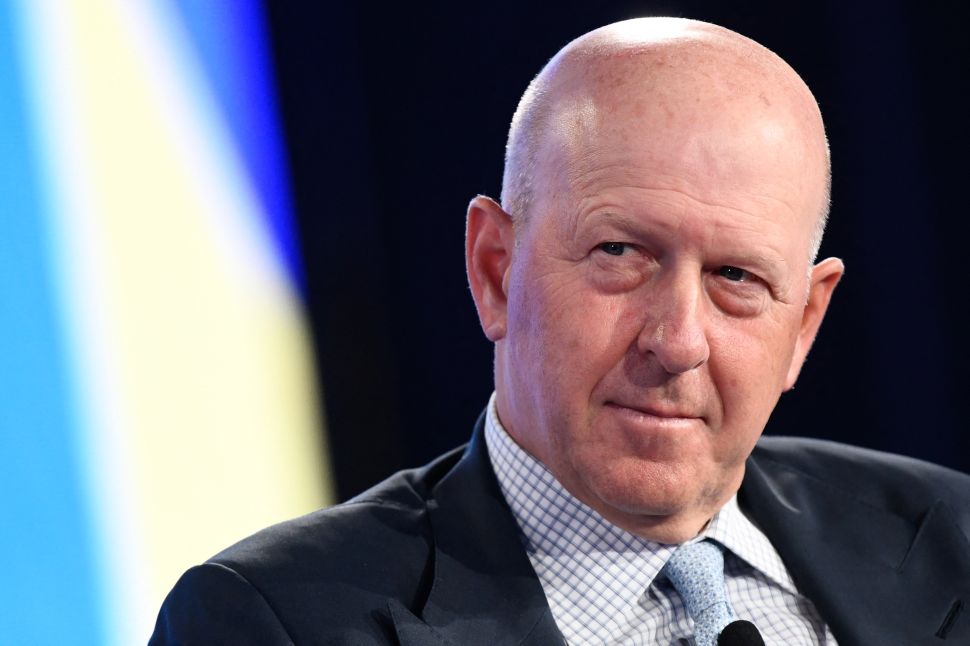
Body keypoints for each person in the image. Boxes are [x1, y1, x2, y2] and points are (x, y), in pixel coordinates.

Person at [151, 17, 970, 646]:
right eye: (621, 253)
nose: (678, 340)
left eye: (737, 279)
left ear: (805, 324)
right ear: (495, 270)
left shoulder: (952, 538)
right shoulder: (276, 623)